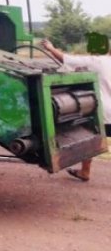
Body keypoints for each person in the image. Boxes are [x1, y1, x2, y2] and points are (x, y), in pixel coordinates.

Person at [41, 39, 111, 181]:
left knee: (91, 137)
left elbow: (66, 59)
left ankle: (85, 171)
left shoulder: (99, 62)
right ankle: (84, 172)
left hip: (104, 111)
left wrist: (51, 48)